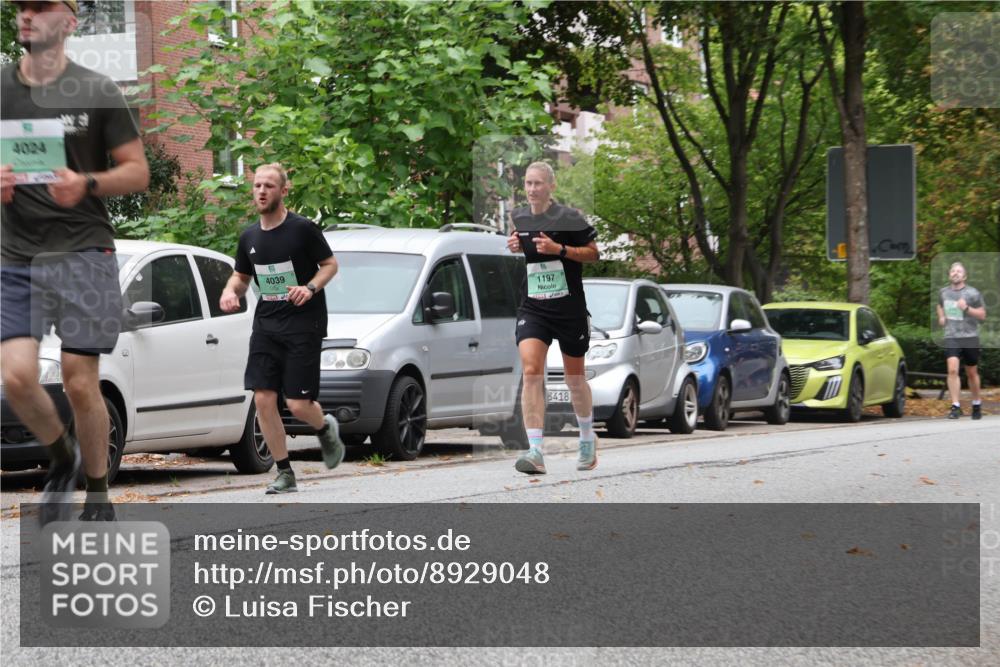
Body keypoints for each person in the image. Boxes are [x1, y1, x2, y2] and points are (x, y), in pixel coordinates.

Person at [1, 0, 150, 523]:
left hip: (84, 249)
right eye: (22, 6)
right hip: (16, 253)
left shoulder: (96, 89)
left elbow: (137, 171)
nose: (27, 15)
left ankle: (98, 491)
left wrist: (86, 182)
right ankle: (62, 457)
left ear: (69, 22)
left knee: (80, 380)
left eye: (40, 7)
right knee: (16, 377)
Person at [219, 163, 345, 493]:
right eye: (257, 185)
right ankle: (285, 472)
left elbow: (330, 265)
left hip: (303, 324)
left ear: (284, 191)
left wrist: (310, 288)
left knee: (297, 405)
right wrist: (230, 291)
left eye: (269, 186)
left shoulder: (302, 229)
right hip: (267, 325)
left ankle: (325, 428)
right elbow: (241, 276)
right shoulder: (249, 237)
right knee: (263, 398)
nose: (261, 191)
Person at [506, 161, 600, 474]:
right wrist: (516, 244)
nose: (532, 189)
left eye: (538, 183)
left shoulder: (569, 218)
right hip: (534, 307)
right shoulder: (519, 216)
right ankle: (535, 450)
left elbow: (593, 253)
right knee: (532, 371)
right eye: (528, 183)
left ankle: (586, 437)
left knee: (575, 379)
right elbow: (525, 246)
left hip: (569, 309)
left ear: (551, 186)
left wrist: (559, 249)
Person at [937, 261, 987, 420]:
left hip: (970, 336)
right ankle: (955, 406)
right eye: (953, 271)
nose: (955, 273)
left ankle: (976, 403)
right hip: (951, 336)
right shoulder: (943, 292)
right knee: (952, 369)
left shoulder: (973, 293)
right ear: (949, 275)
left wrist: (966, 308)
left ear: (964, 276)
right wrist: (941, 317)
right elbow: (940, 305)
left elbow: (982, 315)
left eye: (959, 271)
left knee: (971, 372)